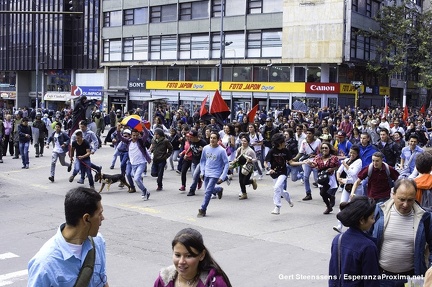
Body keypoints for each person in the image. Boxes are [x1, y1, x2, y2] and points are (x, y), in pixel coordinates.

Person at [28, 187, 109, 287]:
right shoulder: (45, 264)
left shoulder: (98, 242)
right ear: (86, 218)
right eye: (100, 214)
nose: (103, 218)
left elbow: (102, 282)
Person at [372, 178, 432, 286]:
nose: (405, 204)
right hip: (382, 278)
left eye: (410, 200)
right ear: (393, 194)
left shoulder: (425, 217)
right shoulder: (378, 211)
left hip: (411, 279)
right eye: (402, 199)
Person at [328, 196, 379, 287]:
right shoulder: (368, 247)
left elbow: (333, 276)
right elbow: (371, 282)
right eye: (372, 217)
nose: (373, 221)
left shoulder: (337, 239)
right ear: (362, 220)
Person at [153, 228, 232, 287]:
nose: (181, 261)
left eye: (189, 256)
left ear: (201, 255)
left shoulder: (214, 283)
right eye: (177, 255)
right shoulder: (163, 281)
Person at [265, 133, 300, 215]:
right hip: (274, 173)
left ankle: (277, 207)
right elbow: (265, 163)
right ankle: (289, 200)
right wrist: (269, 169)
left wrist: (303, 162)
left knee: (276, 187)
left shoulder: (286, 151)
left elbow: (291, 162)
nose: (285, 143)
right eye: (283, 141)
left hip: (283, 173)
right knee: (281, 191)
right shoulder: (272, 151)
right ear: (279, 143)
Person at [116, 123, 152, 200]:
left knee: (136, 178)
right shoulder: (128, 142)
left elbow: (146, 134)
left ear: (139, 135)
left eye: (136, 135)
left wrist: (143, 127)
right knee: (135, 177)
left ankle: (144, 191)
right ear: (131, 135)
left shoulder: (141, 141)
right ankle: (145, 192)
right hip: (133, 164)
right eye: (133, 135)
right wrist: (118, 130)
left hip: (141, 163)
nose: (135, 137)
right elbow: (120, 137)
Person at [197, 131, 229, 217]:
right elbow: (202, 161)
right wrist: (202, 172)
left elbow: (226, 163)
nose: (212, 140)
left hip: (215, 173)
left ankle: (203, 209)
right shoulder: (206, 148)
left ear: (218, 140)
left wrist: (222, 176)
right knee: (208, 190)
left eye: (214, 138)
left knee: (207, 192)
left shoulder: (221, 151)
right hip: (206, 172)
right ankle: (218, 189)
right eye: (211, 138)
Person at [333, 145, 363, 233]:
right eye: (350, 152)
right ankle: (339, 225)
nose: (351, 154)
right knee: (342, 204)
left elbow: (353, 174)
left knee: (353, 207)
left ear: (357, 154)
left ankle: (353, 226)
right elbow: (339, 170)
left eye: (354, 153)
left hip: (357, 187)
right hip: (347, 186)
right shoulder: (346, 160)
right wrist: (338, 178)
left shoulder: (358, 162)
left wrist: (346, 165)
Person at [305, 142, 340, 214]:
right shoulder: (318, 157)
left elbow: (338, 166)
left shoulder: (334, 158)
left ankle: (330, 202)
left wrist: (332, 169)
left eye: (326, 148)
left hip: (330, 177)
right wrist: (310, 163)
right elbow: (314, 165)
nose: (324, 149)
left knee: (322, 192)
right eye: (322, 148)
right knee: (323, 194)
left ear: (329, 149)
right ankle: (329, 205)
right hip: (321, 177)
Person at [235, 135, 257, 200]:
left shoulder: (250, 150)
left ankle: (252, 181)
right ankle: (244, 194)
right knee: (240, 181)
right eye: (242, 141)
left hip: (248, 167)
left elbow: (255, 159)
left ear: (248, 142)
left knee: (245, 181)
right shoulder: (239, 149)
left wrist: (250, 160)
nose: (243, 142)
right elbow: (236, 156)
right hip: (241, 166)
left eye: (245, 141)